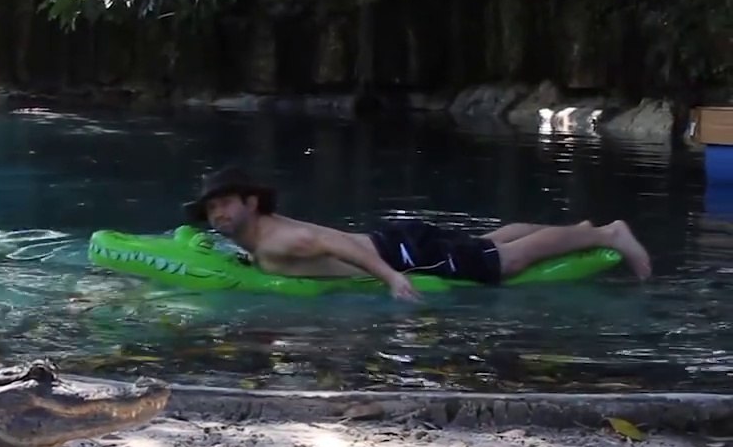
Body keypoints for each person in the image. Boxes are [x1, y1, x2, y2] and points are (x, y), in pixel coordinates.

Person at [181, 165, 653, 302]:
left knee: (500, 264)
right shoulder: (251, 239)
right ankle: (577, 231)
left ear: (251, 203)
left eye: (225, 203)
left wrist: (390, 278)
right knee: (486, 243)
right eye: (212, 207)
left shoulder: (276, 240)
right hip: (398, 241)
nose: (217, 213)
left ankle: (608, 235)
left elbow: (334, 245)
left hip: (403, 254)